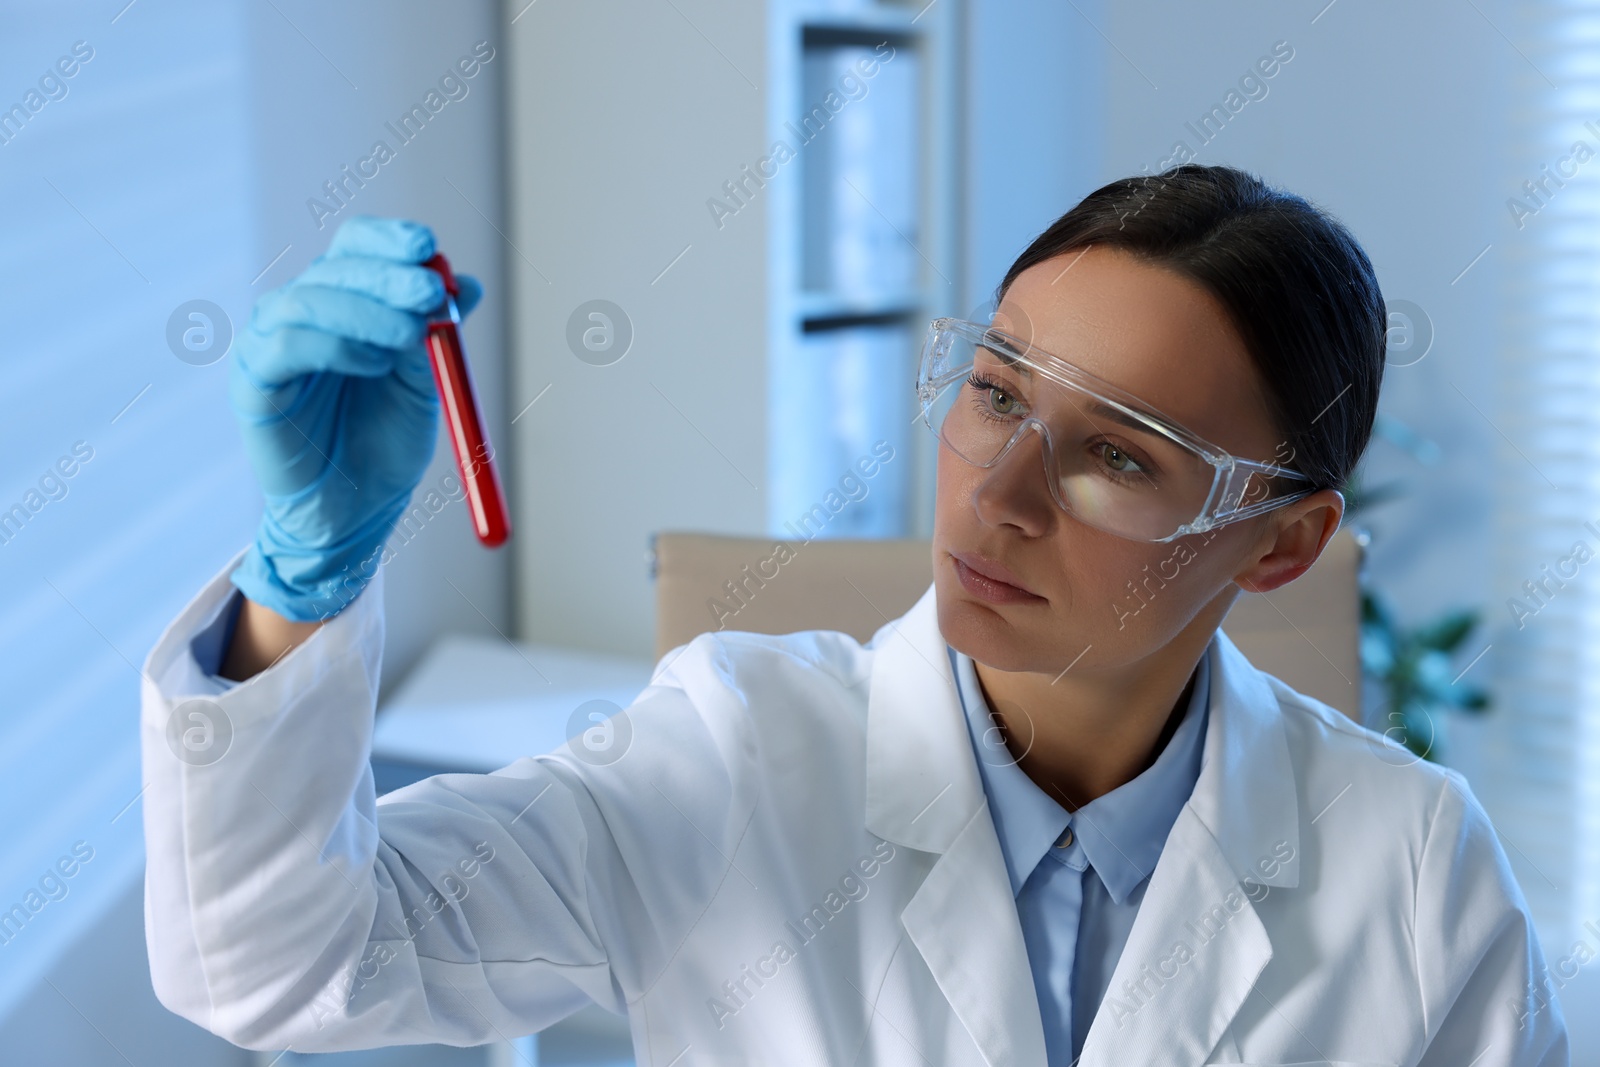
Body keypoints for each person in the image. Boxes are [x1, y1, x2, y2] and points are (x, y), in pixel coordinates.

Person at [141, 166, 1570, 1066]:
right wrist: (298, 583)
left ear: (1280, 545)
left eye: (1117, 453)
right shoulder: (733, 753)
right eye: (998, 392)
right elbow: (279, 973)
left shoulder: (1415, 872)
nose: (997, 493)